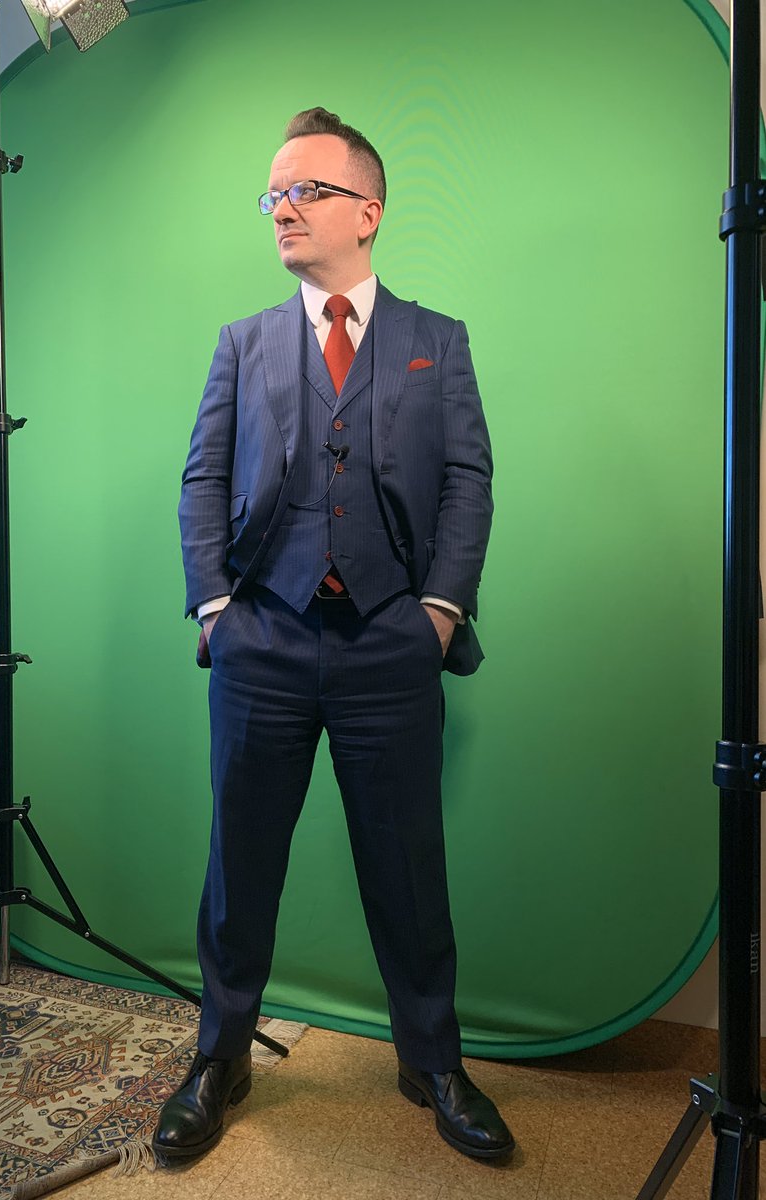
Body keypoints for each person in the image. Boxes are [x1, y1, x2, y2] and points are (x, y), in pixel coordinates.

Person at [154, 107, 512, 1164]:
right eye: (273, 192)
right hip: (261, 639)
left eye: (305, 189)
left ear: (368, 209)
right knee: (240, 864)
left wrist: (438, 613)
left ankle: (432, 1060)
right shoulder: (244, 343)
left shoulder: (437, 341)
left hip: (391, 645)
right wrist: (216, 609)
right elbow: (202, 478)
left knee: (409, 866)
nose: (283, 208)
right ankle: (219, 1056)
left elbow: (468, 481)